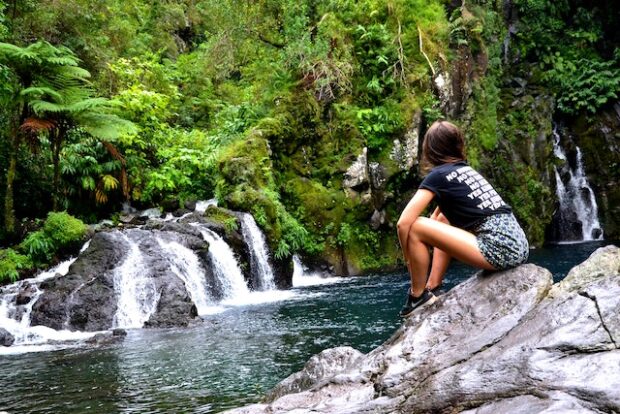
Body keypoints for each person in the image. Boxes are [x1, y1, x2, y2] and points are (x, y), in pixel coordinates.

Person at [396, 120, 529, 317]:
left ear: (430, 150)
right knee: (441, 219)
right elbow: (437, 219)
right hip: (518, 245)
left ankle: (416, 297)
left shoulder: (438, 175)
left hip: (500, 249)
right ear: (458, 145)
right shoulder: (465, 171)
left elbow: (403, 223)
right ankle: (432, 287)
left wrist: (408, 255)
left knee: (416, 226)